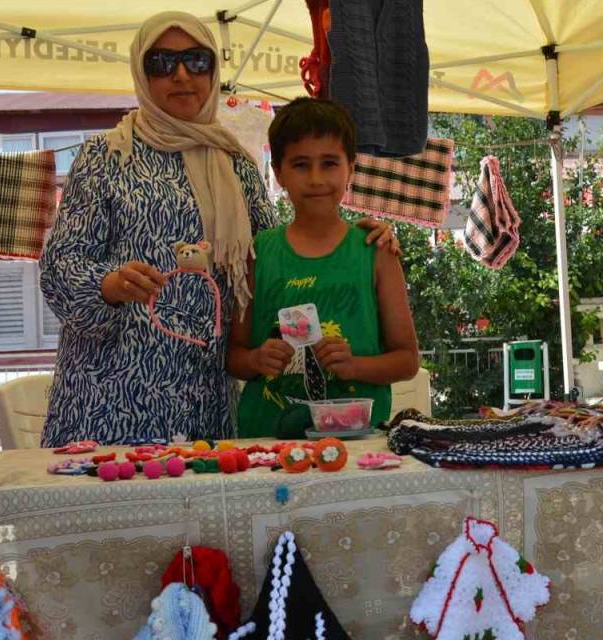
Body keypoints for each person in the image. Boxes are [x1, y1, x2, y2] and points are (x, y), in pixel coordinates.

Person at [39, 13, 396, 447]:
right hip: (110, 393)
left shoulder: (236, 164)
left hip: (205, 397)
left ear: (214, 69)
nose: (182, 75)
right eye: (162, 63)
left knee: (202, 510)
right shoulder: (108, 155)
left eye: (197, 61)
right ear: (141, 71)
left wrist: (355, 236)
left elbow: (274, 260)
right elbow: (59, 267)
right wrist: (109, 285)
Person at [229, 98, 419, 437]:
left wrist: (355, 366)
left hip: (357, 449)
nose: (316, 179)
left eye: (329, 163)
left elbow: (407, 361)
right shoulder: (256, 254)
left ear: (351, 168)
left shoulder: (376, 252)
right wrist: (257, 360)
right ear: (278, 173)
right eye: (301, 164)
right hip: (268, 445)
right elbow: (233, 357)